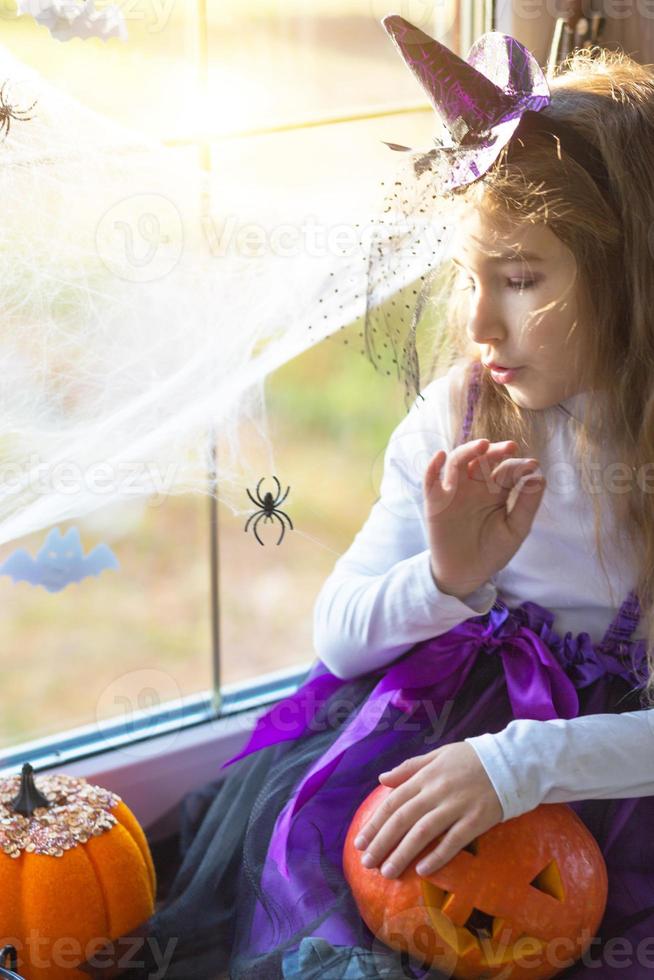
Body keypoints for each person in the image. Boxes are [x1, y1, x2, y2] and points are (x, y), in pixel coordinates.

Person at [93, 16, 654, 980]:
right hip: (417, 767)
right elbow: (341, 637)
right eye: (472, 280)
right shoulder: (461, 415)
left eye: (520, 281)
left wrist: (514, 767)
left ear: (631, 281)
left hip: (599, 791)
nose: (480, 322)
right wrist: (444, 578)